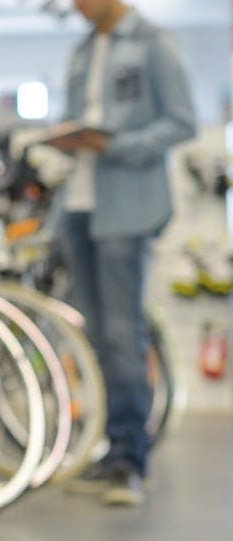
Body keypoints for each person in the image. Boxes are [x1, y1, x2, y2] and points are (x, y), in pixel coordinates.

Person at [49, 0, 196, 506]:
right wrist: (70, 138)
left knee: (120, 331)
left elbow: (181, 122)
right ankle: (111, 448)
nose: (77, 6)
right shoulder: (82, 51)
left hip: (127, 210)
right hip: (79, 207)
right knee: (94, 333)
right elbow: (77, 118)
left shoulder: (154, 43)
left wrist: (114, 145)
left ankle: (132, 458)